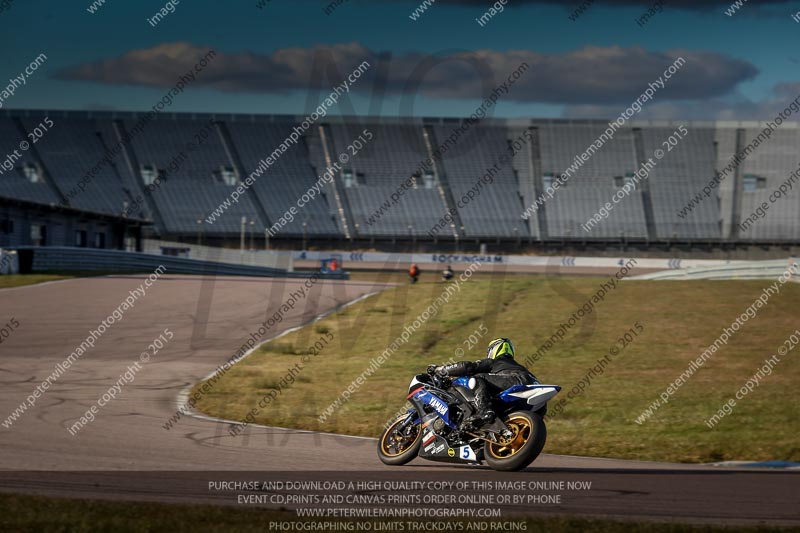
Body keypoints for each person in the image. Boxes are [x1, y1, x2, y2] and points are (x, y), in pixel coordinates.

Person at [429, 338, 537, 427]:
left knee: (478, 378)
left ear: (494, 349)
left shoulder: (497, 361)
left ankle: (484, 411)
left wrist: (441, 369)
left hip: (516, 380)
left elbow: (467, 367)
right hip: (533, 385)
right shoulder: (516, 365)